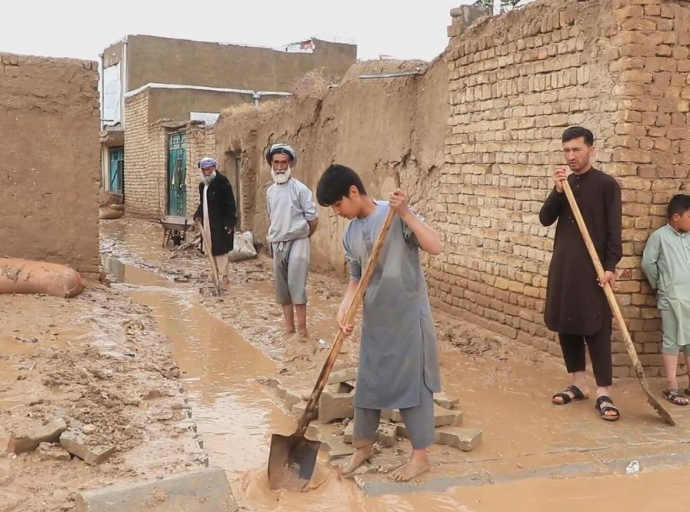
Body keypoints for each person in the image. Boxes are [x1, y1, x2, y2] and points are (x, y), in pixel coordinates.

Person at [316, 164, 443, 482]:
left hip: (408, 317)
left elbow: (436, 246)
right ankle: (363, 447)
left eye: (337, 205)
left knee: (413, 385)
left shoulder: (394, 213)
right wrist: (344, 309)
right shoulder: (350, 233)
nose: (337, 212)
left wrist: (408, 214)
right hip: (376, 320)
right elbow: (355, 279)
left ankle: (419, 457)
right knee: (368, 382)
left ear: (353, 192)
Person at [539, 126, 623, 422]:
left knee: (596, 327)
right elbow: (545, 219)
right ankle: (579, 383)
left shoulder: (606, 185)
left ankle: (603, 391)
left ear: (591, 150)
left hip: (595, 270)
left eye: (576, 149)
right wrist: (557, 190)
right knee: (567, 323)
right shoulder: (565, 185)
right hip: (564, 267)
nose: (571, 156)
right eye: (566, 150)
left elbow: (614, 231)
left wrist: (611, 267)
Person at [265, 144, 319, 342]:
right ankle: (289, 329)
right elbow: (272, 216)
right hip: (277, 242)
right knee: (282, 289)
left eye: (283, 163)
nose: (280, 167)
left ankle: (303, 331)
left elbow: (313, 219)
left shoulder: (300, 190)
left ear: (290, 164)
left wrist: (304, 236)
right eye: (276, 163)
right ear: (271, 165)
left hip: (298, 241)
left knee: (297, 286)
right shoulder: (270, 192)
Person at [641, 194, 690, 405]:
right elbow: (647, 264)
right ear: (676, 216)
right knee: (671, 339)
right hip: (671, 297)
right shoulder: (660, 237)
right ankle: (672, 386)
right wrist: (660, 285)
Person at [193, 157, 237, 287]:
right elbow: (203, 203)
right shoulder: (203, 185)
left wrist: (230, 222)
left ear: (214, 168)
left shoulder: (222, 182)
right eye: (204, 170)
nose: (206, 172)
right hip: (207, 221)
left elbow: (230, 203)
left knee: (221, 250)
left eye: (208, 169)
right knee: (210, 248)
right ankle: (215, 273)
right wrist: (198, 214)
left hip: (220, 222)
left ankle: (224, 277)